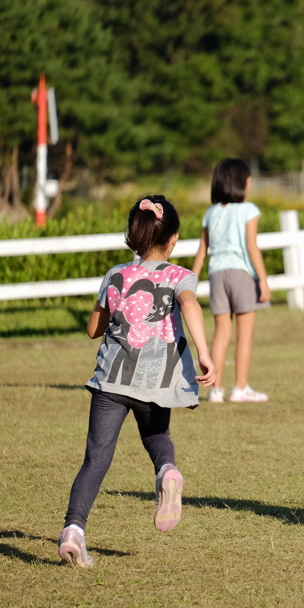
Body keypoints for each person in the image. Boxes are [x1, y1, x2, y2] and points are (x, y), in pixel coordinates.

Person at [58, 196, 217, 568]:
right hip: (156, 382)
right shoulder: (179, 276)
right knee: (156, 437)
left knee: (96, 458)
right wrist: (204, 351)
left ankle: (73, 531)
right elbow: (190, 305)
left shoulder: (115, 275)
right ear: (173, 238)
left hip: (111, 380)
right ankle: (167, 471)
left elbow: (92, 330)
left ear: (133, 235)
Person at [192, 158, 271, 403]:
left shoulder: (211, 212)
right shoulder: (249, 210)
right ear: (240, 182)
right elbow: (251, 247)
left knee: (221, 333)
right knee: (244, 335)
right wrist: (263, 280)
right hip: (241, 274)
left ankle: (215, 390)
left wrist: (191, 281)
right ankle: (240, 388)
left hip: (217, 274)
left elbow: (202, 250)